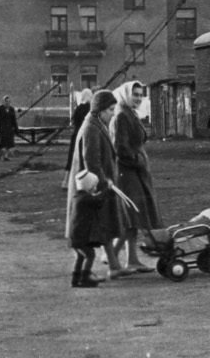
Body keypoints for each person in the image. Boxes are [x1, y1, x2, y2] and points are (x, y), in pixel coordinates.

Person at [65, 90, 127, 287]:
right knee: (96, 231)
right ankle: (95, 271)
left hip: (96, 186)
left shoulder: (95, 124)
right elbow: (92, 160)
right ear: (100, 110)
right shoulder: (91, 128)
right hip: (93, 187)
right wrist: (104, 181)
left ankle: (111, 265)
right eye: (110, 110)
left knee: (102, 229)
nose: (112, 114)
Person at [109, 80, 160, 275]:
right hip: (127, 172)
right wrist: (137, 159)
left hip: (135, 171)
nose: (138, 98)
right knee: (131, 216)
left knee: (135, 218)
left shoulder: (129, 113)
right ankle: (112, 258)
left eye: (140, 95)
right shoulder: (122, 116)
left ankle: (132, 259)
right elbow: (119, 147)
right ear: (125, 95)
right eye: (135, 94)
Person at [62, 89, 93, 188]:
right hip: (85, 136)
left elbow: (75, 122)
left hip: (76, 136)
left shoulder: (78, 108)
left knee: (71, 158)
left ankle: (65, 181)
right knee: (85, 159)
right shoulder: (90, 109)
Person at [0, 95, 18, 161]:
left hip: (9, 129)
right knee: (2, 144)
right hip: (2, 128)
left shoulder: (11, 109)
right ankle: (0, 153)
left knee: (8, 144)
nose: (7, 103)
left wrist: (16, 128)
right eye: (6, 101)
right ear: (3, 102)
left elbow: (14, 120)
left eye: (9, 101)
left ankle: (5, 157)